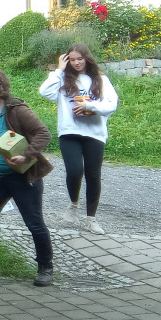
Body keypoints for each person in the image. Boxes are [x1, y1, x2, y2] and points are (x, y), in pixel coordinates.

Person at [0, 68, 55, 288]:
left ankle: (45, 267)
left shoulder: (16, 110)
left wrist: (26, 156)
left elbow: (44, 133)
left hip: (21, 178)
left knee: (34, 223)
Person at [39, 43, 119, 234]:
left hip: (94, 133)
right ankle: (73, 206)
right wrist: (58, 70)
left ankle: (90, 218)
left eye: (79, 59)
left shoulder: (101, 80)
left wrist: (90, 107)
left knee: (93, 175)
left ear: (87, 58)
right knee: (74, 171)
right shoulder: (62, 79)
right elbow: (44, 92)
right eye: (72, 59)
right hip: (69, 132)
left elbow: (111, 104)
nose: (76, 63)